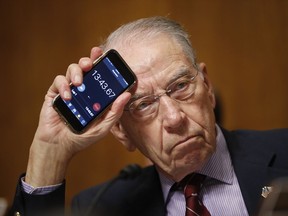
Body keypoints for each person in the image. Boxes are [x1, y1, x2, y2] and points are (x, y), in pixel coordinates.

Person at [9, 16, 288, 216]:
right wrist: (50, 152)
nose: (174, 118)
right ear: (121, 131)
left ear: (207, 86)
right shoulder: (100, 207)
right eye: (143, 105)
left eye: (180, 87)